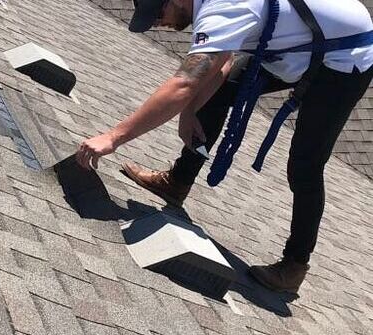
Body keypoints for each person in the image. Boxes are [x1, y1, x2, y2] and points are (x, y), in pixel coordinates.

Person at [75, 0, 373, 293]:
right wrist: (190, 111)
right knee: (220, 87)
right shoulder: (213, 7)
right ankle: (177, 183)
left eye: (158, 13)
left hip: (345, 55)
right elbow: (223, 63)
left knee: (305, 164)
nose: (158, 24)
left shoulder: (225, 9)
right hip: (304, 39)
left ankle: (294, 265)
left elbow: (184, 83)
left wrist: (112, 138)